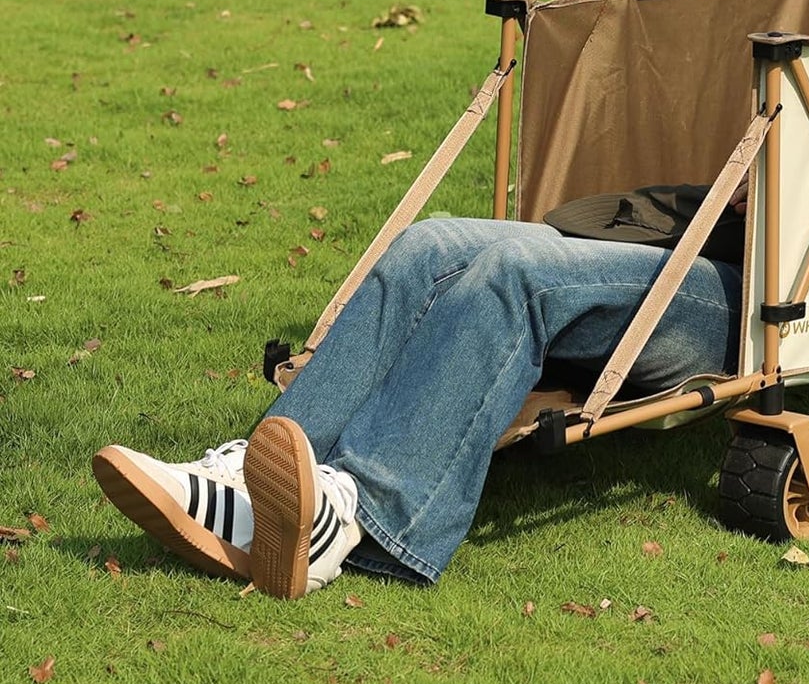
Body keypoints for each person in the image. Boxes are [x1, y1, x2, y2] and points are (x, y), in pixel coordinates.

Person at [93, 212, 743, 600]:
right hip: (653, 225)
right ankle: (260, 479)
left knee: (517, 270)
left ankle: (355, 514)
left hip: (740, 272)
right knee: (427, 243)